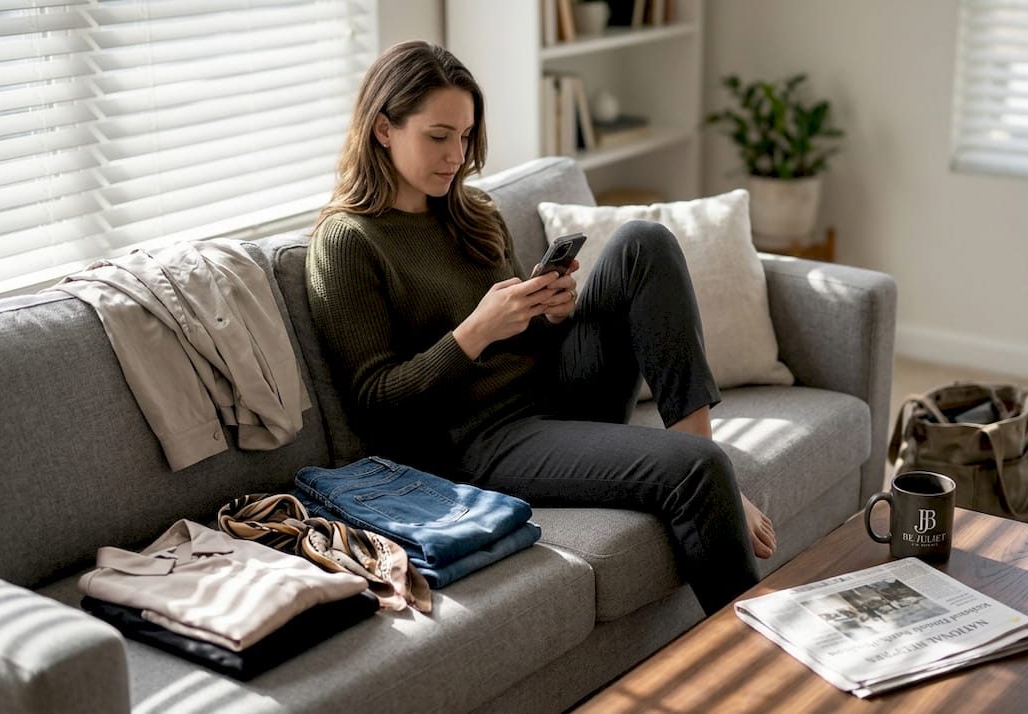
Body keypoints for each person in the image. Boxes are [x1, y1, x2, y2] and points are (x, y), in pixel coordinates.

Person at [306, 40, 775, 614]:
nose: (456, 155)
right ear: (383, 129)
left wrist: (550, 314)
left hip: (553, 400)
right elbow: (372, 403)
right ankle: (759, 648)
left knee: (641, 243)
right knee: (697, 470)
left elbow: (526, 347)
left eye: (465, 136)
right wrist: (474, 331)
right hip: (477, 444)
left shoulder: (472, 212)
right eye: (438, 136)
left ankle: (705, 454)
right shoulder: (347, 242)